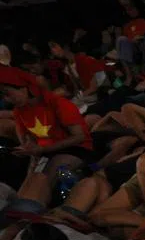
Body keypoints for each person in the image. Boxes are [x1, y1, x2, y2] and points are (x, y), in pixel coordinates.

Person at [0, 65, 93, 211]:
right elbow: (28, 142)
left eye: (8, 93)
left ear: (23, 88)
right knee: (30, 178)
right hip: (45, 152)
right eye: (4, 96)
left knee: (50, 172)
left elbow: (79, 136)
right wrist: (28, 151)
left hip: (75, 148)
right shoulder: (19, 112)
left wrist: (43, 148)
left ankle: (35, 211)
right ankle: (23, 208)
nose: (8, 99)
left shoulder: (56, 102)